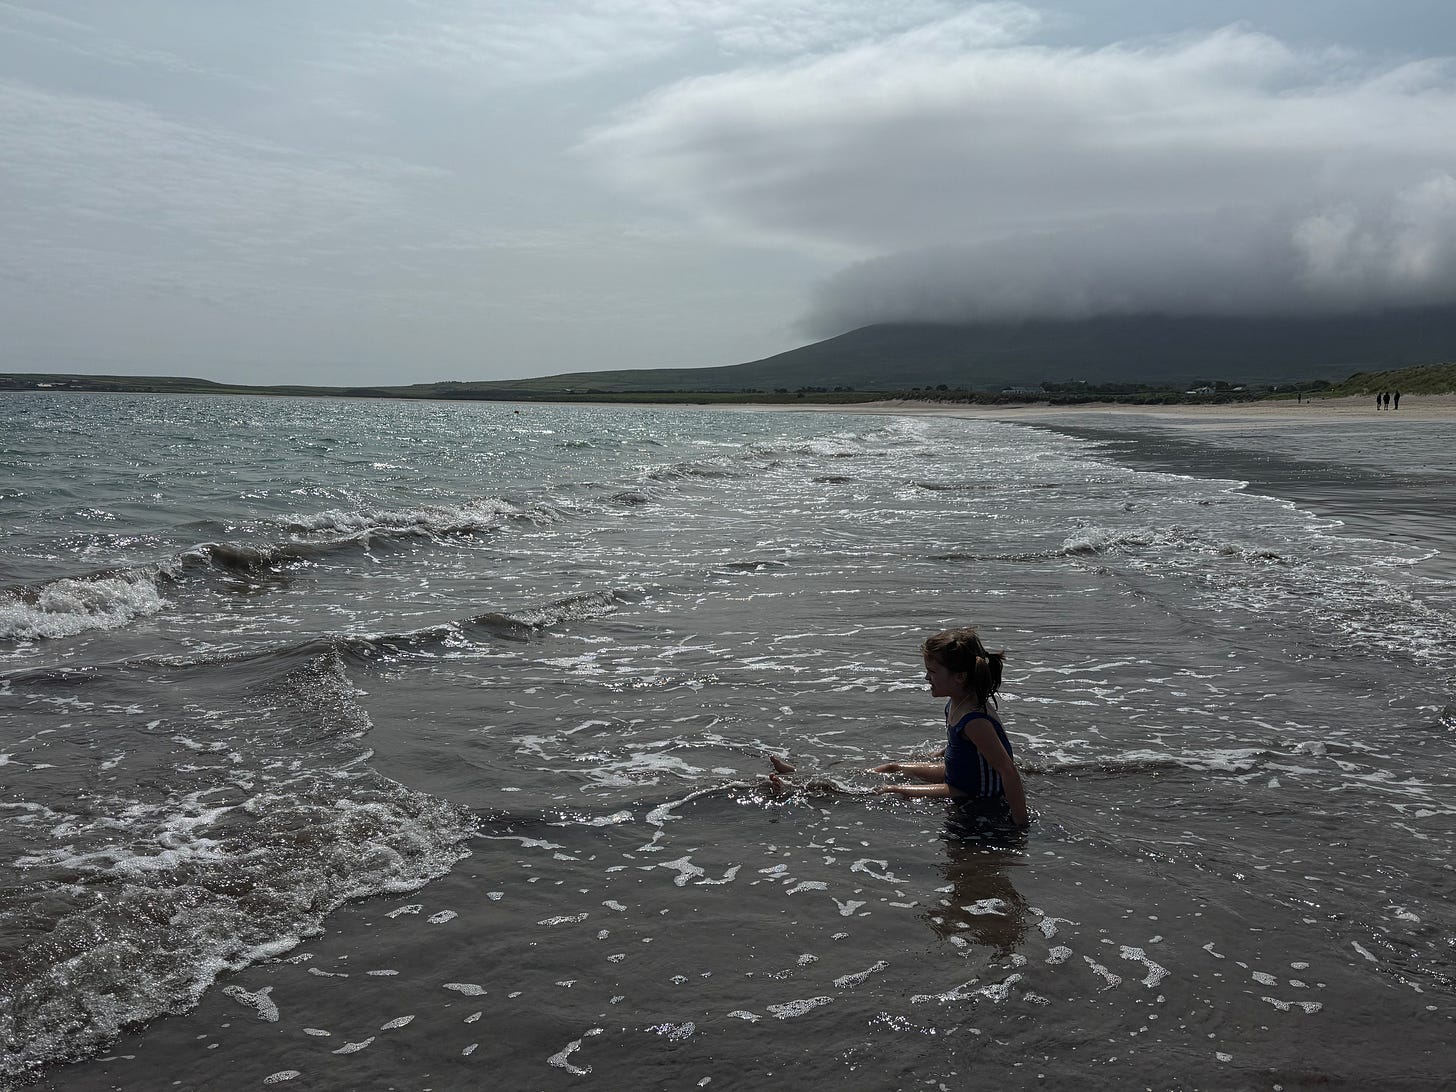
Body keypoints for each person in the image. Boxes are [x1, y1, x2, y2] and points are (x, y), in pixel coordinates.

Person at [871, 627, 1029, 827]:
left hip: (970, 790)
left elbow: (1008, 770)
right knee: (891, 768)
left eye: (932, 672)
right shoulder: (956, 702)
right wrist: (941, 753)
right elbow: (966, 745)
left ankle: (847, 795)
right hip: (958, 774)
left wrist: (1020, 822)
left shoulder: (974, 720)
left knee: (892, 790)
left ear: (960, 677)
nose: (927, 678)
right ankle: (840, 782)